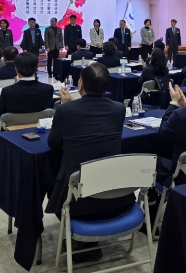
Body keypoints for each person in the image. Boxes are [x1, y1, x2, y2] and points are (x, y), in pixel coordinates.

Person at [45, 62, 134, 263]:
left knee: (50, 179)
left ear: (81, 85)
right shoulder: (118, 109)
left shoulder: (66, 111)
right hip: (117, 194)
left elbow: (53, 142)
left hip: (79, 200)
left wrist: (66, 106)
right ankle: (87, 243)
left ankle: (83, 244)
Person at [0, 52, 54, 178]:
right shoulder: (48, 88)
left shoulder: (8, 90)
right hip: (39, 127)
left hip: (11, 129)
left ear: (16, 70)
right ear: (36, 68)